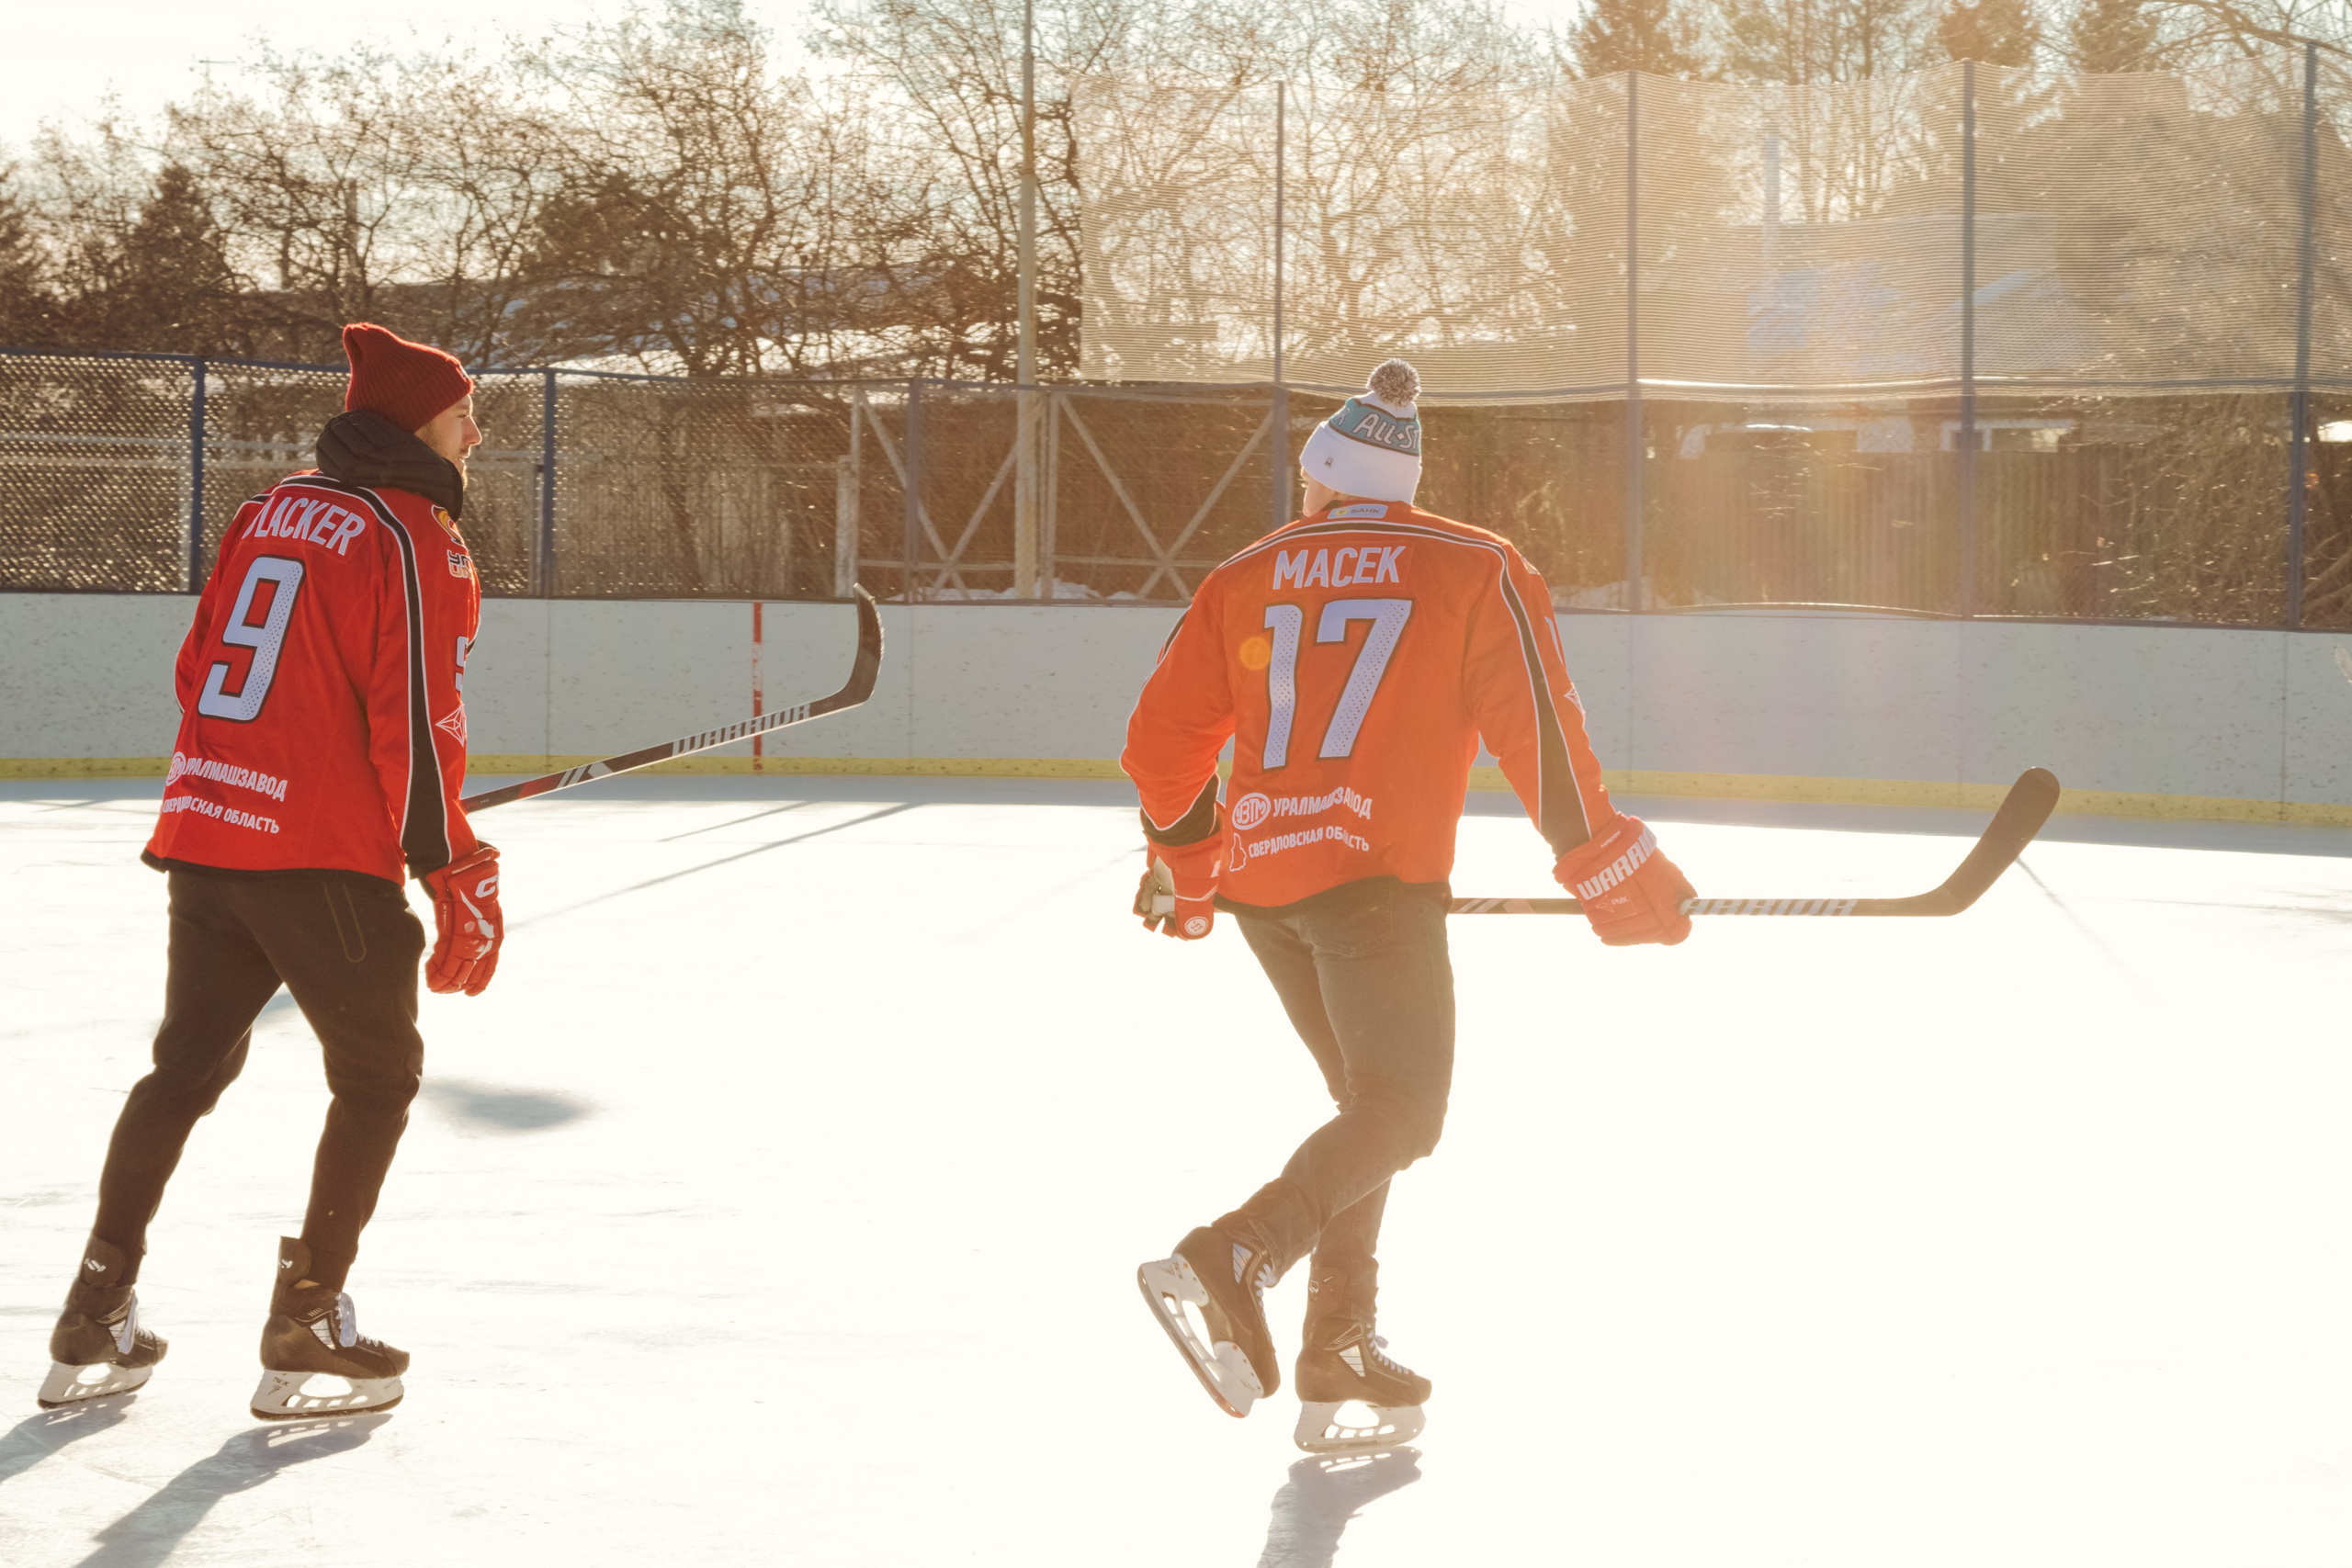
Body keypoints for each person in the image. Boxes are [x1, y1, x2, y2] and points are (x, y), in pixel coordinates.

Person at [1124, 359, 1697, 1454]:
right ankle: (1238, 1251)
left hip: (1266, 895)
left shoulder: (1246, 572)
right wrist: (1602, 860)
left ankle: (1336, 1337)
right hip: (1375, 890)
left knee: (1364, 1111)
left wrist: (1187, 867)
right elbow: (1537, 723)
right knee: (1403, 1114)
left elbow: (1159, 749)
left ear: (1320, 484)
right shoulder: (1472, 565)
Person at [39, 322, 507, 1420]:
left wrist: (262, 778)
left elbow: (200, 665)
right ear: (414, 424)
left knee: (184, 1072)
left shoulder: (267, 511)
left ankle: (95, 1305)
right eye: (459, 413)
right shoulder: (414, 536)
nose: (474, 432)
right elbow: (416, 719)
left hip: (208, 837)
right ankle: (308, 1318)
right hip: (318, 862)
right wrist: (456, 869)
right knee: (378, 1077)